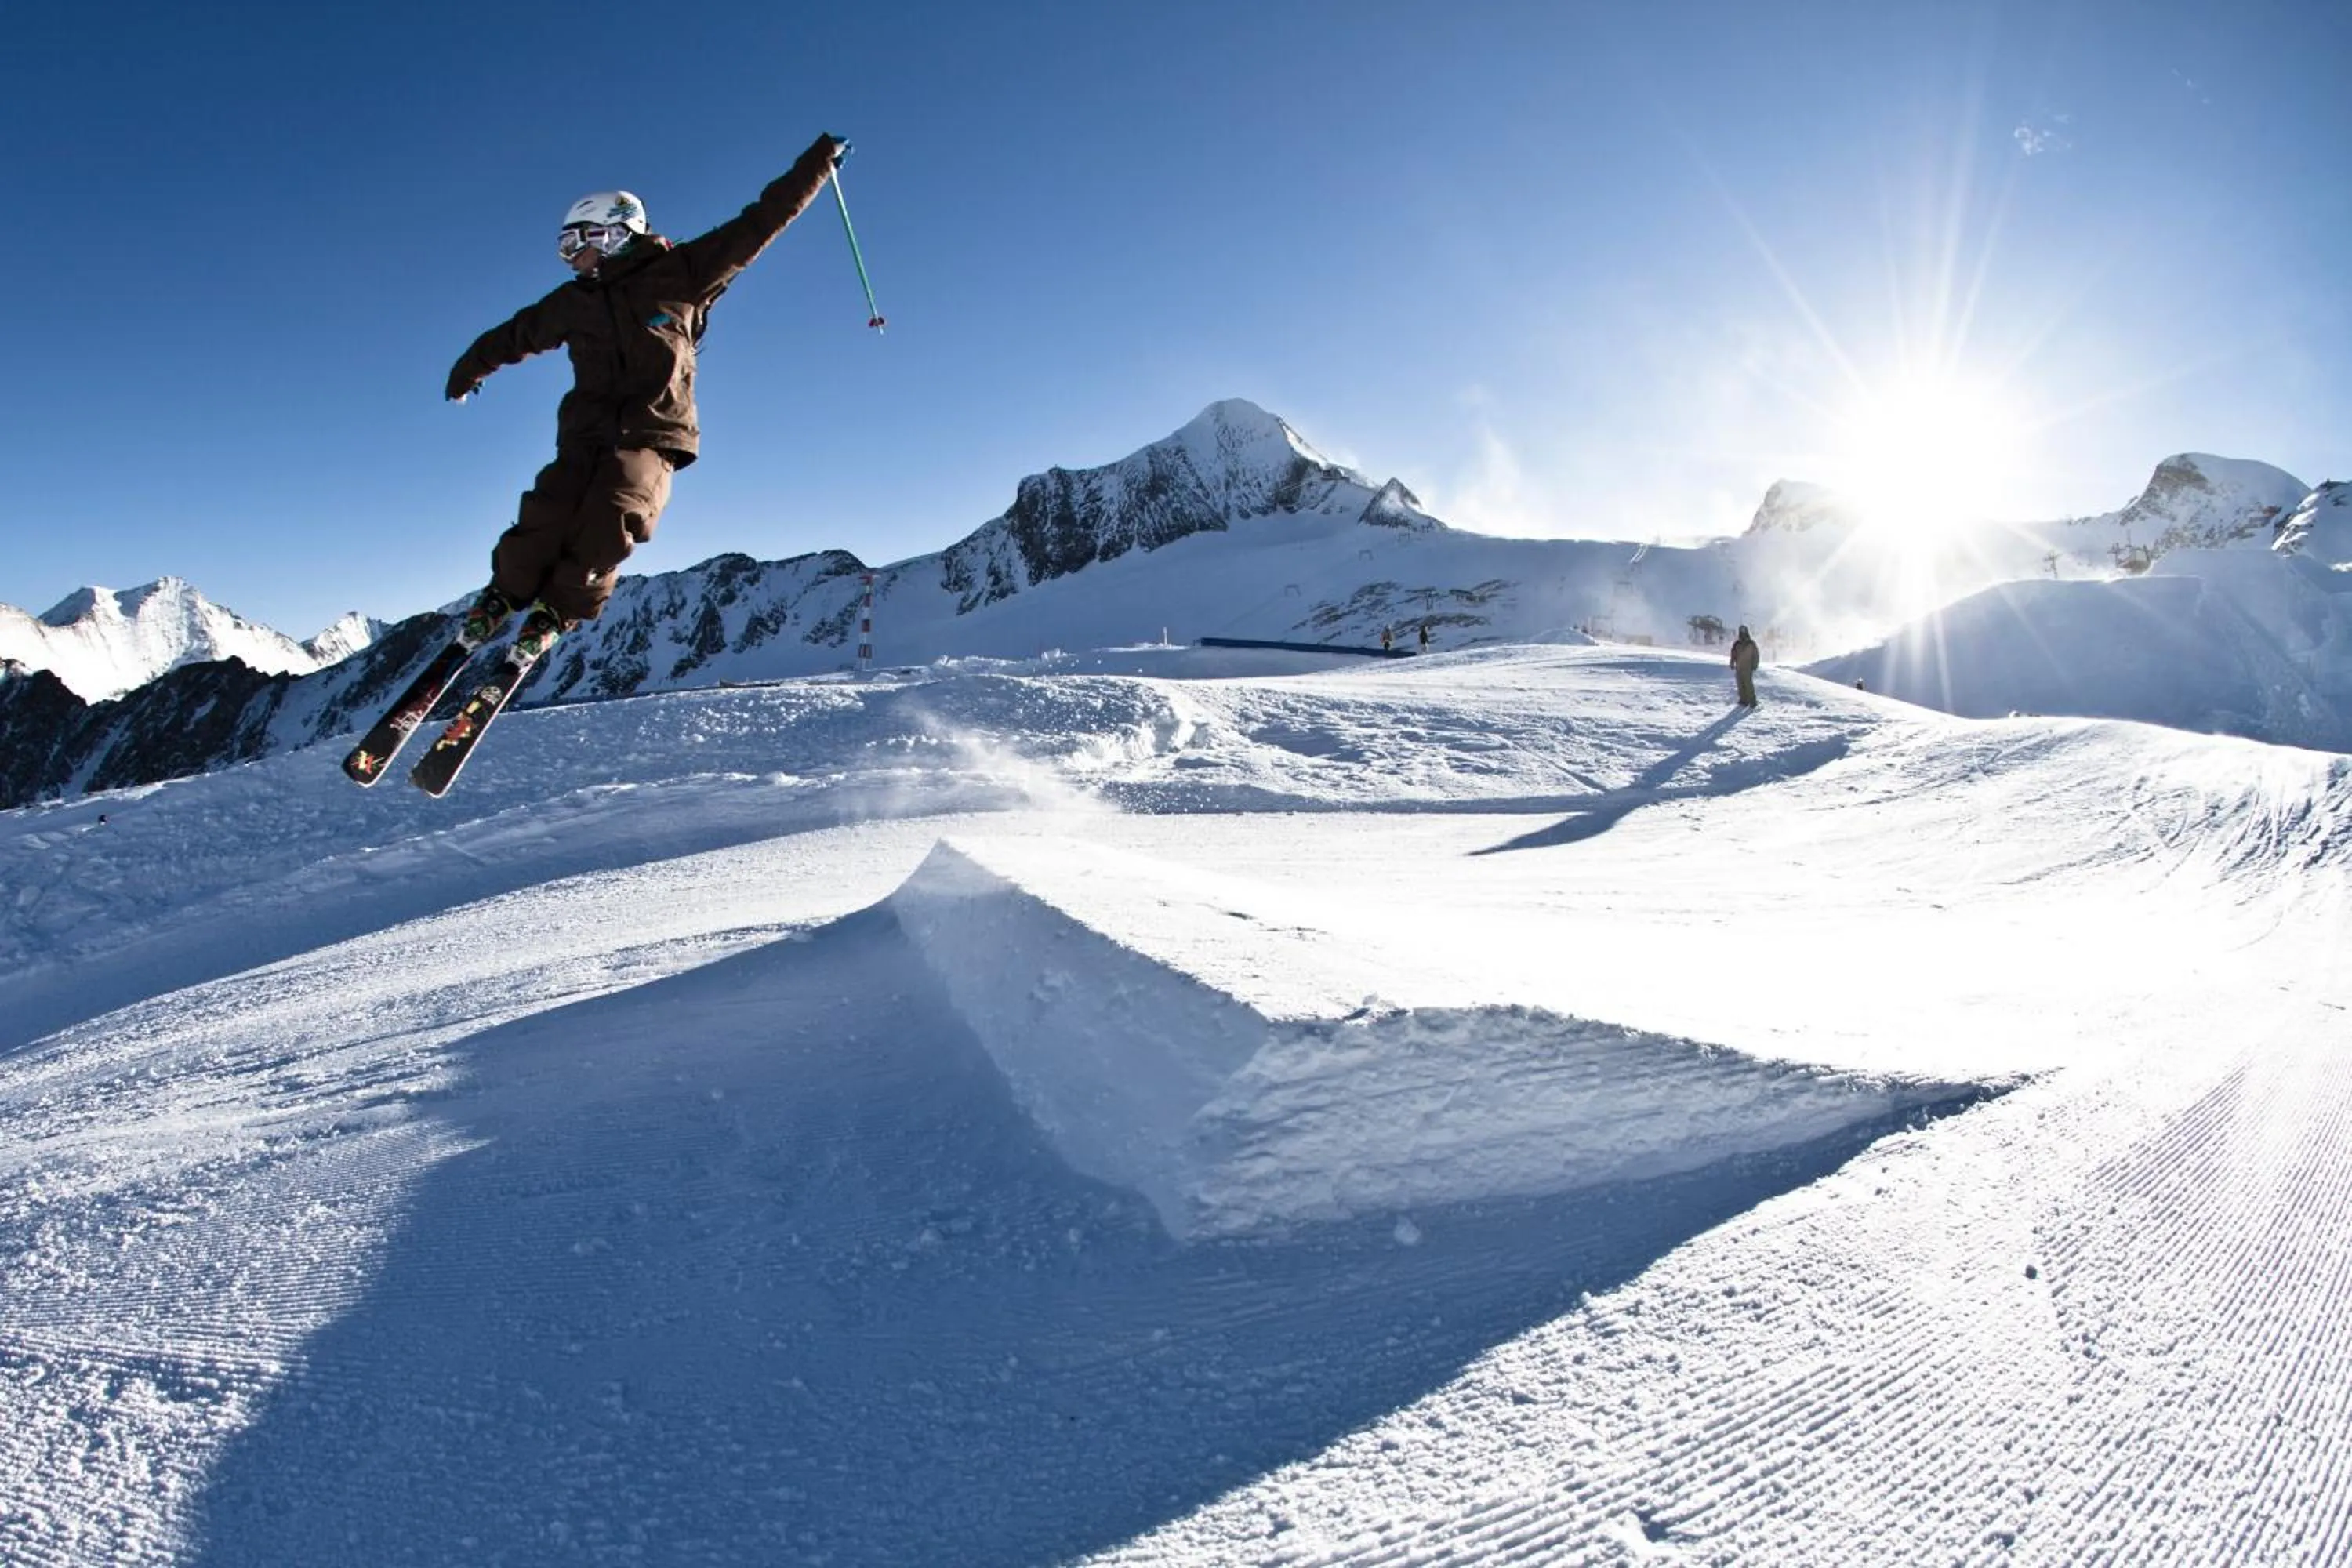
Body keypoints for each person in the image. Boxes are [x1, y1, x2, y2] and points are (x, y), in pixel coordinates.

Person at [444, 133, 850, 635]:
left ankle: (560, 609)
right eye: (564, 247)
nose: (571, 257)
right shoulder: (574, 302)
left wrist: (818, 164)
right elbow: (516, 334)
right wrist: (468, 370)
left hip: (652, 433)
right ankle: (504, 594)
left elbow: (762, 220)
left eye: (579, 242)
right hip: (586, 432)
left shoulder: (683, 273)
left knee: (614, 514)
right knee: (547, 510)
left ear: (616, 233)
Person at [1729, 623, 1760, 707]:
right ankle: (1743, 700)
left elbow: (1756, 655)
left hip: (1748, 668)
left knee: (1748, 684)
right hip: (1739, 667)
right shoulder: (1737, 643)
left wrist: (1755, 664)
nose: (1743, 633)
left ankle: (1752, 701)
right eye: (1741, 631)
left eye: (1744, 631)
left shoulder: (1751, 643)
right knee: (1740, 684)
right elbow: (1733, 654)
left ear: (1747, 632)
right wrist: (1732, 663)